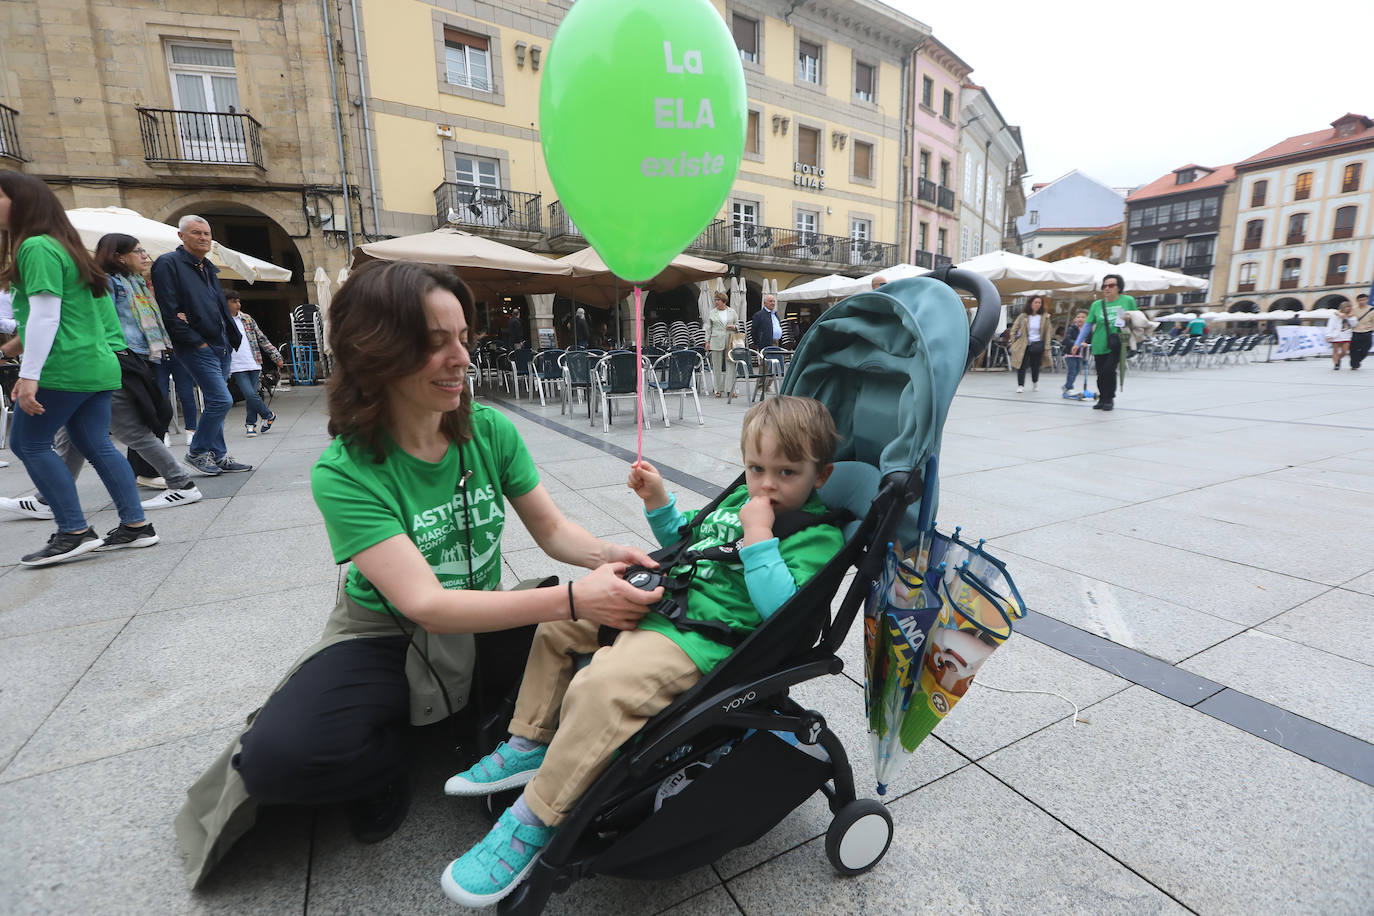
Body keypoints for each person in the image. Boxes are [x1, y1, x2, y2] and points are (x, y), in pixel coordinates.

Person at [174, 259, 664, 887]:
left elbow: (552, 532)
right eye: (435, 344)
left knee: (627, 643)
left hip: (481, 617)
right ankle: (391, 759)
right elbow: (425, 605)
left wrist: (609, 557)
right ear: (376, 353)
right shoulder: (345, 470)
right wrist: (574, 599)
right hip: (385, 633)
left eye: (463, 338)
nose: (460, 358)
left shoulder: (489, 431)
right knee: (279, 762)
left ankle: (469, 724)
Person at [440, 396, 844, 907]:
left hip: (702, 639)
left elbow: (783, 611)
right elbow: (686, 540)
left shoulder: (817, 536)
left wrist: (759, 536)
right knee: (558, 626)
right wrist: (658, 501)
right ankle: (530, 742)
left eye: (787, 472)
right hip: (665, 601)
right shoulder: (738, 502)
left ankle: (534, 819)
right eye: (755, 468)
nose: (765, 484)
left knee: (600, 686)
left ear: (821, 475)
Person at [0, 170, 158, 564]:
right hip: (96, 364)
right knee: (97, 444)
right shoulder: (66, 248)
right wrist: (11, 351)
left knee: (28, 443)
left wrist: (29, 373)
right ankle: (136, 525)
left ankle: (73, 529)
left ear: (21, 202)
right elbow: (62, 316)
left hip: (64, 365)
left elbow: (46, 317)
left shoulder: (35, 246)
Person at [1, 233, 204, 519]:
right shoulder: (110, 281)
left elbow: (57, 322)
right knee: (78, 437)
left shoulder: (107, 281)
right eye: (138, 251)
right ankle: (61, 504)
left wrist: (29, 370)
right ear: (118, 255)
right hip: (112, 360)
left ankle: (177, 485)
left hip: (100, 361)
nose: (144, 255)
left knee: (98, 436)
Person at [149, 215, 251, 477]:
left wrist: (230, 337)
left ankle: (218, 456)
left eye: (207, 233)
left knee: (216, 401)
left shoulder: (206, 265)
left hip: (221, 344)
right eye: (197, 233)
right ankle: (197, 452)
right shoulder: (168, 264)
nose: (204, 237)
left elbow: (216, 306)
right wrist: (199, 342)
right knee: (220, 400)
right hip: (198, 345)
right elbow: (169, 312)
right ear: (181, 236)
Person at [1073, 274, 1137, 412]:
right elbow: (1088, 325)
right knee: (1101, 373)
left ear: (1119, 287)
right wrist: (1077, 343)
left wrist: (1128, 319)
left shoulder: (1127, 300)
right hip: (1099, 342)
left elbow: (1137, 320)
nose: (1107, 288)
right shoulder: (1097, 304)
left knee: (1109, 370)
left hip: (1117, 343)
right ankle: (1102, 397)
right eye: (1104, 286)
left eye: (1111, 285)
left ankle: (1109, 399)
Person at [224, 293, 283, 437]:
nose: (238, 304)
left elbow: (262, 338)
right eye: (233, 301)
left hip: (253, 361)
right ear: (225, 303)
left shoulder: (247, 319)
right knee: (249, 394)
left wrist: (276, 356)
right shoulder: (222, 321)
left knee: (252, 395)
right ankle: (268, 415)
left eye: (238, 301)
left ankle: (250, 425)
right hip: (236, 364)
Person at [1009, 295, 1052, 393]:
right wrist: (1013, 342)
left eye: (1039, 303)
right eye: (1035, 302)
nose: (1037, 305)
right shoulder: (1023, 316)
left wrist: (1047, 347)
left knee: (1035, 365)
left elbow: (1048, 333)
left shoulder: (1045, 317)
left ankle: (1035, 383)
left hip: (1037, 344)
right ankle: (1020, 385)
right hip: (1023, 344)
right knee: (1021, 365)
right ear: (1030, 304)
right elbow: (1014, 330)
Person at [704, 289, 737, 398]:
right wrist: (707, 341)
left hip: (729, 339)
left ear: (723, 301)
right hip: (715, 339)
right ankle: (718, 389)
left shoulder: (732, 311)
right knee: (716, 365)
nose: (716, 302)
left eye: (718, 300)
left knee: (731, 365)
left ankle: (730, 389)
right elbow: (708, 328)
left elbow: (738, 325)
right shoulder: (712, 312)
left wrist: (734, 327)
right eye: (715, 300)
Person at [1061, 310, 1086, 393]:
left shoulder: (1087, 330)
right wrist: (1077, 343)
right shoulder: (1072, 328)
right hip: (1071, 354)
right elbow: (1066, 340)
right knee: (1072, 371)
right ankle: (1068, 387)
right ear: (1075, 319)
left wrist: (1087, 344)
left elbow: (1090, 340)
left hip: (1081, 354)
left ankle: (1067, 385)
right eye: (1078, 317)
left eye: (1083, 317)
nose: (1080, 319)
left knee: (1077, 370)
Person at [1325, 300, 1354, 369]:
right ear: (1343, 307)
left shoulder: (1351, 315)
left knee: (1344, 351)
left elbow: (1354, 324)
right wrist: (1328, 335)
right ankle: (1336, 364)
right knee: (1335, 350)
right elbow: (1330, 325)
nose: (1348, 308)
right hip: (1336, 335)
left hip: (1346, 335)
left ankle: (1338, 359)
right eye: (1347, 307)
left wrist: (1350, 318)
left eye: (1349, 307)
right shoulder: (1335, 315)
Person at [1348, 293, 1371, 370]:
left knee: (1366, 348)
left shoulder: (1371, 309)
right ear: (1357, 301)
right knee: (1353, 349)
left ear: (1367, 300)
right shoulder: (1354, 309)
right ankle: (1354, 364)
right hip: (1356, 331)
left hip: (1367, 331)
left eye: (1363, 300)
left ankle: (1357, 361)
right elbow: (1347, 317)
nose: (1361, 302)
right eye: (1360, 300)